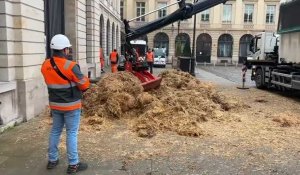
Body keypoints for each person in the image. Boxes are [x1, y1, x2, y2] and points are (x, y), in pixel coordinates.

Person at [41, 34, 90, 174]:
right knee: (71, 133)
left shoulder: (45, 65)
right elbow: (84, 85)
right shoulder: (71, 65)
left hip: (55, 105)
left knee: (55, 131)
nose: (69, 51)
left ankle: (52, 160)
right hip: (71, 106)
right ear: (64, 50)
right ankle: (73, 164)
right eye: (68, 48)